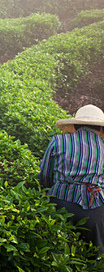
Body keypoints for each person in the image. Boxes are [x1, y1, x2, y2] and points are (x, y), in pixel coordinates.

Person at [38, 104, 104, 254]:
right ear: (101, 129)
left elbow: (45, 175)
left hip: (61, 203)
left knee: (55, 250)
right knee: (97, 254)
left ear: (75, 125)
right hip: (95, 208)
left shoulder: (58, 141)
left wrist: (50, 192)